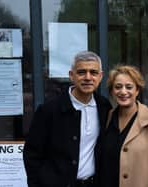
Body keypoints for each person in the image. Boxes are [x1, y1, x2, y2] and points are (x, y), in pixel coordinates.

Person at [23, 51, 112, 187]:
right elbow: (32, 155)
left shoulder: (104, 107)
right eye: (81, 72)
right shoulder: (49, 110)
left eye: (93, 72)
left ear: (100, 76)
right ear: (71, 76)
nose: (88, 77)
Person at [98, 65, 148, 187]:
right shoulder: (107, 118)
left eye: (129, 87)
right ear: (112, 91)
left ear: (137, 90)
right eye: (118, 87)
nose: (123, 92)